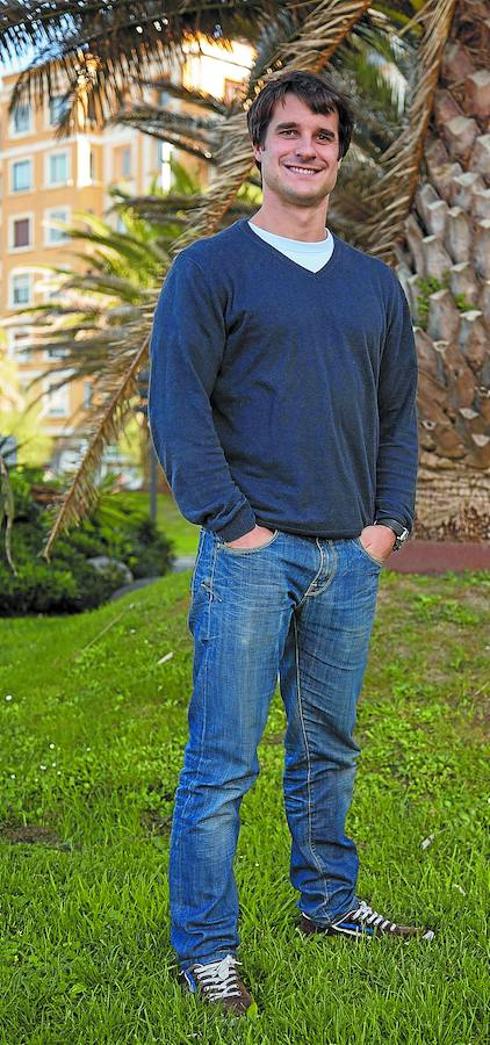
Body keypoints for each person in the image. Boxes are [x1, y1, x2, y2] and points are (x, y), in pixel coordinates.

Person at [149, 70, 431, 1018]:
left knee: (328, 748)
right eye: (291, 132)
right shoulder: (210, 270)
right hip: (251, 558)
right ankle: (206, 947)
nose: (307, 148)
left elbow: (398, 417)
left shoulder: (373, 286)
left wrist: (386, 526)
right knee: (223, 760)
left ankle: (330, 904)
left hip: (349, 558)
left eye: (324, 135)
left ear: (340, 154)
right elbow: (178, 409)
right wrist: (234, 525)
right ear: (260, 147)